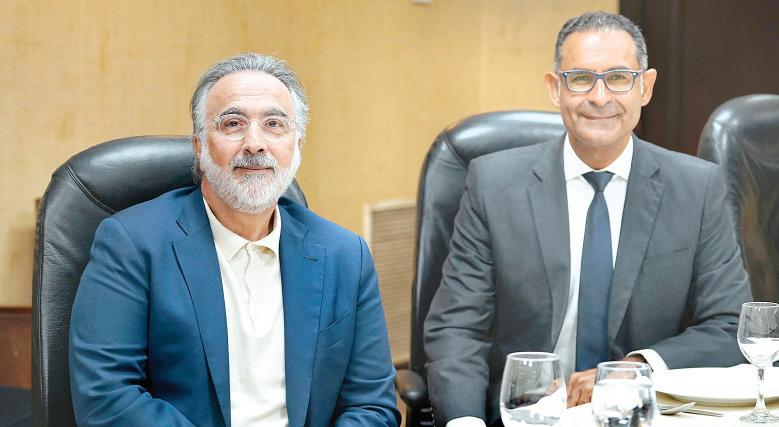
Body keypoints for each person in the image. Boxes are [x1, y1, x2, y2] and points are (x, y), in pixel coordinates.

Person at [423, 11, 751, 427]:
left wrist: (637, 368)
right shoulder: (493, 184)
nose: (599, 97)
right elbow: (457, 327)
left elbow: (730, 324)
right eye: (580, 79)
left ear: (645, 87)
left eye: (618, 78)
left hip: (641, 415)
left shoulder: (696, 188)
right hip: (525, 415)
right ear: (555, 88)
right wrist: (465, 422)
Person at [69, 53, 400, 427]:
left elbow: (372, 406)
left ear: (296, 145)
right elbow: (107, 398)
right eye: (232, 124)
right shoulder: (132, 243)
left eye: (274, 124)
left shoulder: (345, 255)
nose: (255, 143)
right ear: (199, 146)